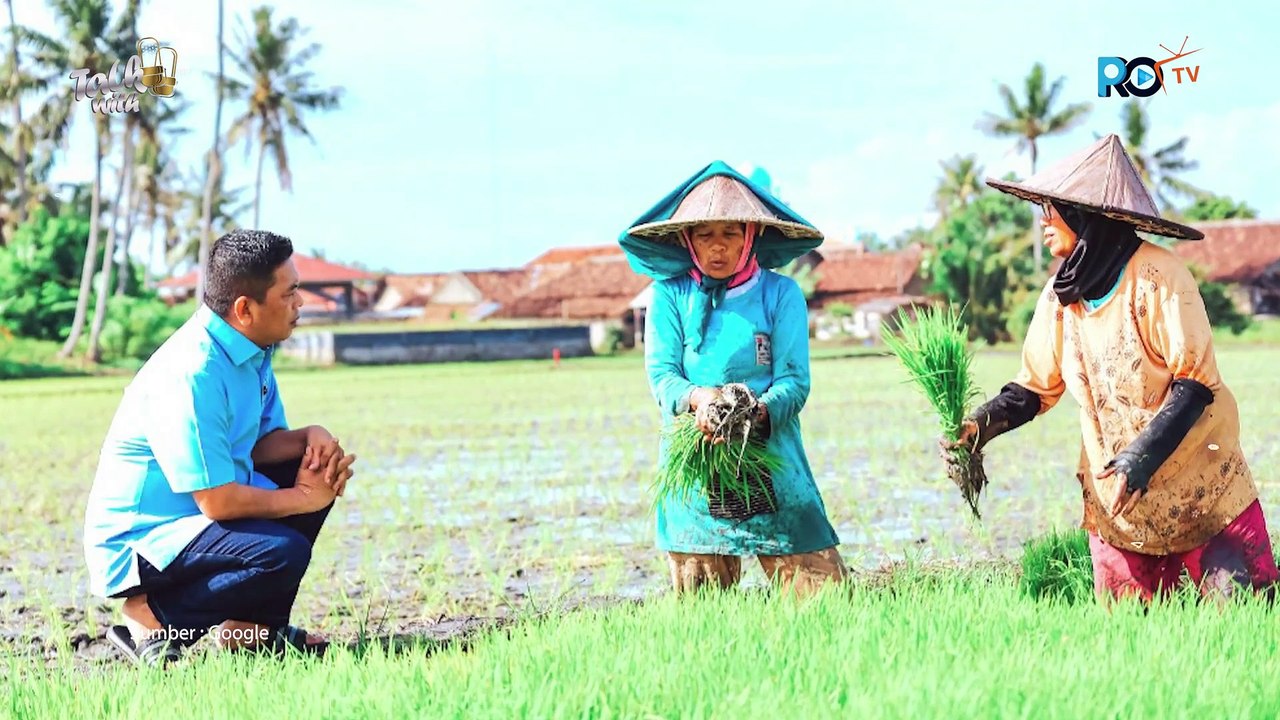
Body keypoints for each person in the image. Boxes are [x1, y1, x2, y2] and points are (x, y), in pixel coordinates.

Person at [949, 134, 1276, 602]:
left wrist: (1138, 460)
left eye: (1053, 208)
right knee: (1131, 635)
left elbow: (1194, 382)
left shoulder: (1160, 277)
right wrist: (976, 427)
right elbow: (1034, 389)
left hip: (1200, 485)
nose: (1043, 220)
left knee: (1241, 612)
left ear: (1086, 217)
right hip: (1118, 502)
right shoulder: (1060, 297)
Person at [83, 229, 357, 665]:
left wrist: (310, 437)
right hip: (143, 539)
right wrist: (300, 499)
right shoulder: (194, 373)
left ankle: (252, 632)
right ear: (245, 309)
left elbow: (260, 447)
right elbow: (217, 500)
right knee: (281, 552)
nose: (299, 303)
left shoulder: (251, 350)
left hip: (193, 518)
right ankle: (152, 618)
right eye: (289, 294)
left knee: (316, 466)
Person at [619, 161, 847, 596]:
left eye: (731, 234)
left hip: (771, 454)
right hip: (697, 460)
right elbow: (663, 376)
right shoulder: (670, 295)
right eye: (705, 235)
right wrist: (701, 400)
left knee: (823, 599)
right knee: (704, 608)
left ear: (752, 236)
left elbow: (794, 381)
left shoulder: (780, 294)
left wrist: (755, 413)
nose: (717, 248)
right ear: (687, 239)